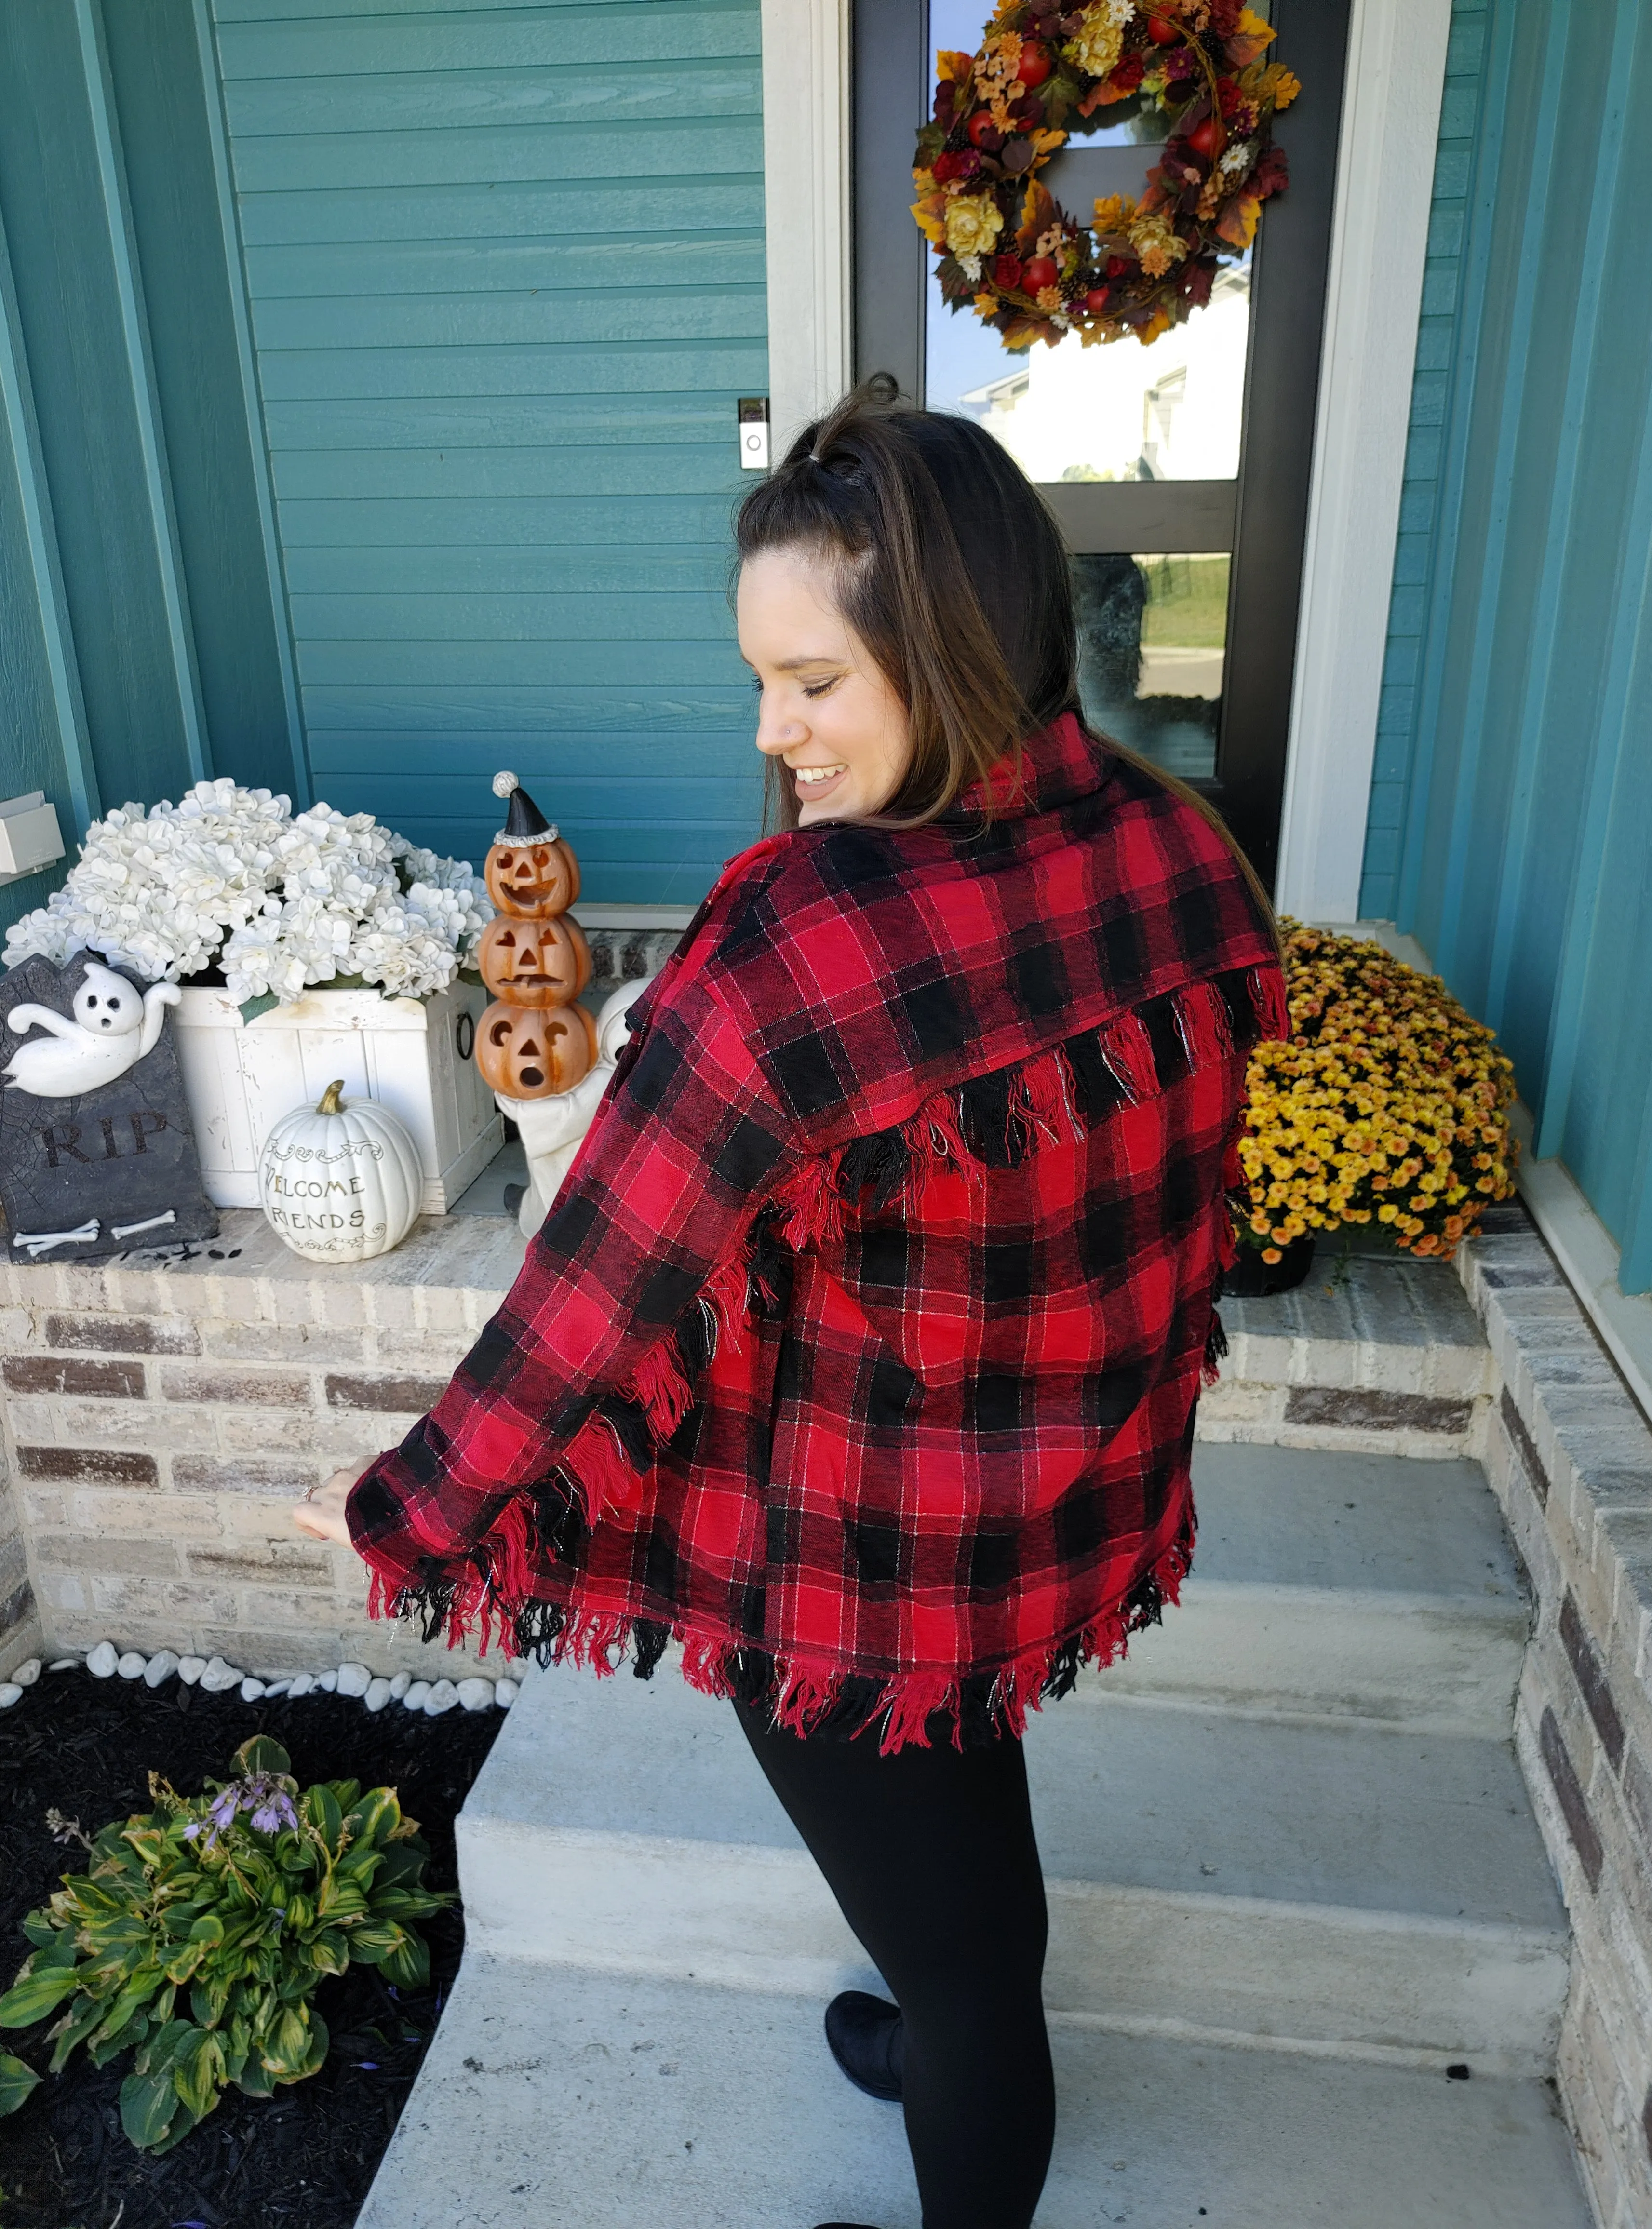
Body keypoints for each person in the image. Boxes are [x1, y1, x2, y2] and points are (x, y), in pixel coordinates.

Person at [295, 379, 1286, 2229]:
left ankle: (964, 2093)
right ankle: (940, 2033)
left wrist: (413, 1506)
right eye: (762, 680)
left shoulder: (811, 938)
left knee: (971, 1946)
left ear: (957, 648)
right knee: (956, 1816)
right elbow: (1179, 1197)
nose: (777, 736)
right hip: (1047, 1498)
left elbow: (603, 1286)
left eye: (817, 684)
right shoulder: (1165, 839)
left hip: (871, 1555)